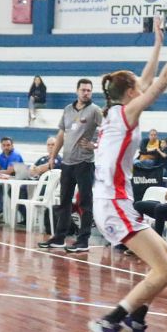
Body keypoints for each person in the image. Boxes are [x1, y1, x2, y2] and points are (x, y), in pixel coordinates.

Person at [87, 11, 167, 332]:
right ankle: (111, 320)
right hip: (112, 203)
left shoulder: (113, 111)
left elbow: (150, 75)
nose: (144, 82)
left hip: (112, 201)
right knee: (165, 270)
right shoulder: (126, 114)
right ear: (131, 91)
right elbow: (164, 78)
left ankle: (136, 321)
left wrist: (158, 42)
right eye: (139, 83)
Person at [40, 79, 104, 253]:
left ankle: (83, 240)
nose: (86, 93)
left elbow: (107, 131)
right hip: (67, 163)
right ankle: (60, 237)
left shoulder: (95, 111)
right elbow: (61, 134)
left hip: (85, 163)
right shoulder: (68, 110)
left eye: (89, 90)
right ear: (77, 91)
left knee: (85, 202)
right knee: (64, 202)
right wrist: (53, 156)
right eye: (83, 90)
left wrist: (95, 145)